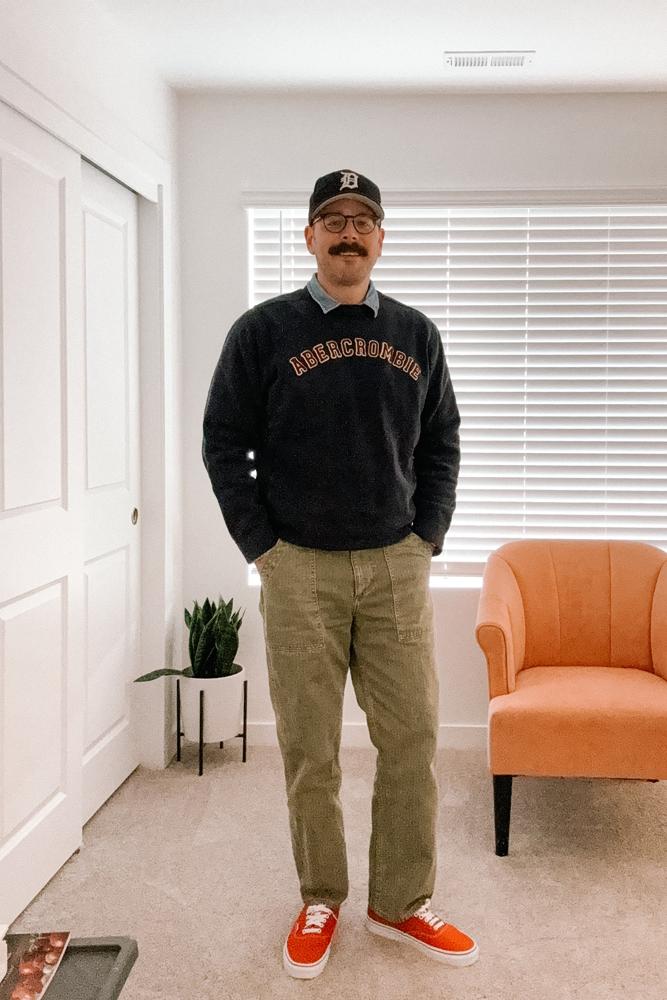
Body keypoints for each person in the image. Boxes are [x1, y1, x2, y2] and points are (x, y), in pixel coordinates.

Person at [202, 169, 479, 979]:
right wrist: (262, 547)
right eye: (333, 219)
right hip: (298, 571)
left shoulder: (416, 334)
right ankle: (320, 896)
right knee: (309, 747)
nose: (348, 232)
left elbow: (442, 441)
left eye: (362, 220)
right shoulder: (262, 331)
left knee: (412, 737)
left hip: (395, 565)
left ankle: (401, 902)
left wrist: (426, 535)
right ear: (309, 237)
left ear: (380, 239)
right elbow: (223, 442)